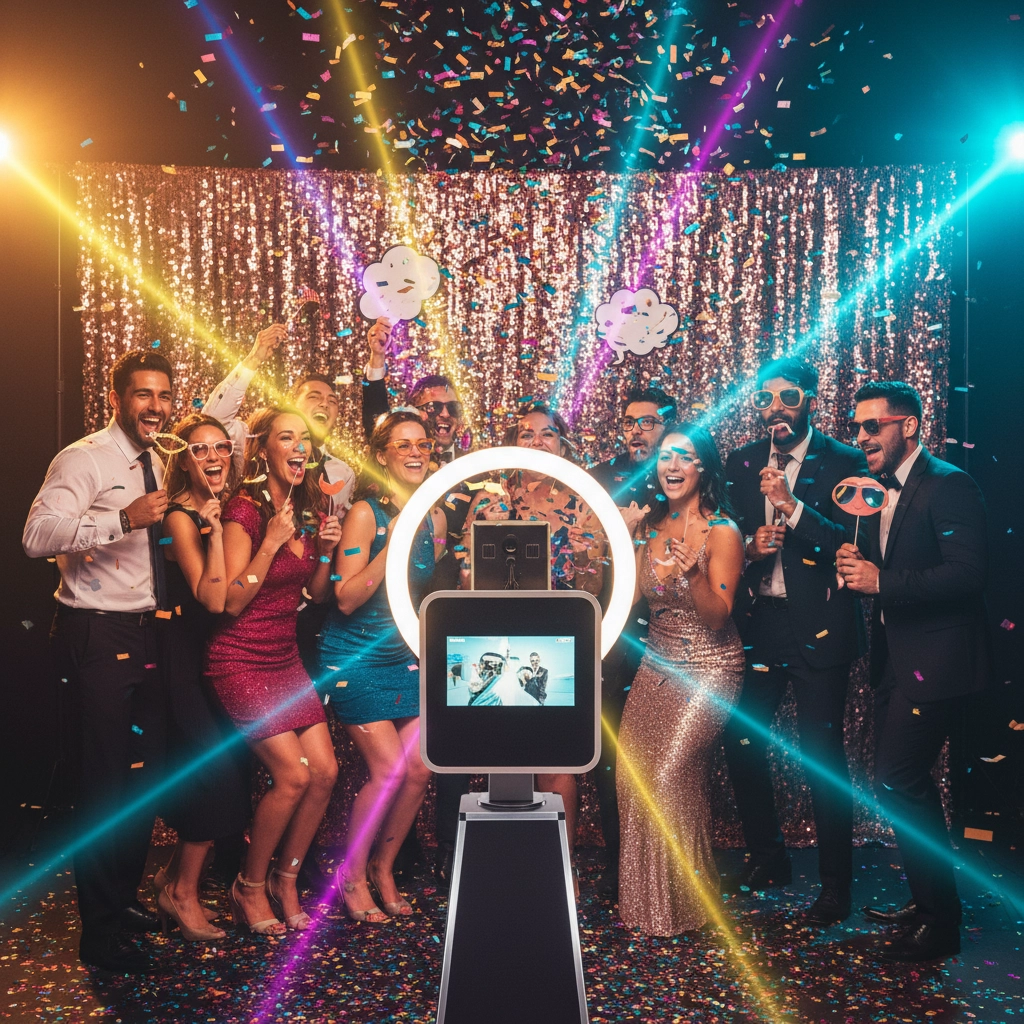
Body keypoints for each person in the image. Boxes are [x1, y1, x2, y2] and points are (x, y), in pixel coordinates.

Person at [23, 350, 174, 973]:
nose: (156, 407)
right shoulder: (84, 458)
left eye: (164, 396)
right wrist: (120, 519)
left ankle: (121, 902)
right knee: (104, 784)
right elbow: (36, 535)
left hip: (147, 632)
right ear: (119, 398)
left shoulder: (158, 456)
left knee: (140, 781)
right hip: (95, 632)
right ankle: (99, 935)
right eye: (144, 395)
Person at [836, 381, 990, 962]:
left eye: (872, 426)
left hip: (939, 665)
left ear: (910, 426)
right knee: (901, 784)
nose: (861, 437)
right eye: (856, 427)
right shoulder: (874, 492)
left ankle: (941, 921)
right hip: (895, 664)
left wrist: (883, 583)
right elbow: (893, 563)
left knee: (898, 781)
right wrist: (857, 566)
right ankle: (926, 901)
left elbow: (968, 575)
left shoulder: (951, 484)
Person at [201, 324, 356, 891]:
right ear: (264, 447)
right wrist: (269, 542)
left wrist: (329, 550)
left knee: (327, 773)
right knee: (292, 776)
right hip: (240, 656)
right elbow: (230, 602)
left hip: (284, 656)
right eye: (287, 438)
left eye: (305, 440)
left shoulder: (308, 507)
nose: (299, 448)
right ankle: (249, 884)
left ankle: (286, 880)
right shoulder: (245, 512)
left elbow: (313, 591)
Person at [721, 357, 869, 926]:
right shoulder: (741, 462)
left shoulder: (847, 461)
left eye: (788, 397)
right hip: (761, 624)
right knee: (741, 741)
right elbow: (729, 535)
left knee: (822, 760)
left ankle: (835, 888)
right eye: (765, 399)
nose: (776, 408)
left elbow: (854, 544)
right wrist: (753, 549)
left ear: (808, 399)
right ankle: (768, 859)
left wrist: (792, 507)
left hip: (822, 629)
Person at [462, 401, 606, 877]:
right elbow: (465, 579)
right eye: (526, 434)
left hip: (557, 640)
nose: (536, 441)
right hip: (496, 639)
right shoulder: (490, 497)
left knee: (556, 755)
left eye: (547, 434)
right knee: (501, 753)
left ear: (563, 443)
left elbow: (593, 587)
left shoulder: (583, 501)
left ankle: (558, 869)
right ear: (512, 444)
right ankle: (505, 864)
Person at [317, 410, 447, 922]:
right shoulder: (367, 514)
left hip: (404, 657)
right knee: (390, 770)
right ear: (381, 455)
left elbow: (421, 596)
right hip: (355, 658)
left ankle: (383, 867)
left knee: (419, 767)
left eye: (422, 444)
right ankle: (349, 876)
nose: (416, 453)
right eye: (403, 445)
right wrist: (391, 548)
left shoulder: (435, 518)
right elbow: (345, 598)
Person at [616, 426, 745, 935]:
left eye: (684, 457)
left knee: (668, 777)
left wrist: (693, 575)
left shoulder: (723, 532)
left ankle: (682, 908)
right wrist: (616, 541)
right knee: (633, 778)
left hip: (710, 668)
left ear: (703, 469)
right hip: (656, 666)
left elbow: (717, 617)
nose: (671, 465)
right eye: (665, 456)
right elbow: (623, 603)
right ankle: (651, 906)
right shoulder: (650, 530)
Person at [362, 318, 471, 887]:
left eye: (450, 409)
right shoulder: (385, 484)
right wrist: (376, 368)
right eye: (431, 409)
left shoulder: (472, 478)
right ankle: (389, 863)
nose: (442, 417)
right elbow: (378, 431)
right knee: (400, 766)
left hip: (440, 633)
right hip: (384, 635)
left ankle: (449, 858)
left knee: (438, 757)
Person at [153, 413, 252, 943]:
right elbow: (212, 596)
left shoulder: (223, 512)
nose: (212, 457)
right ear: (183, 459)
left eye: (219, 448)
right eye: (199, 450)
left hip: (214, 658)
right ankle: (183, 895)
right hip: (179, 660)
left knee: (222, 770)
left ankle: (172, 883)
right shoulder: (179, 517)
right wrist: (214, 534)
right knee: (215, 776)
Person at [589, 386, 678, 894]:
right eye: (629, 421)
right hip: (615, 629)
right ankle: (619, 862)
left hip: (675, 628)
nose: (637, 430)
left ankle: (664, 865)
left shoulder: (682, 472)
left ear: (668, 425)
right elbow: (581, 550)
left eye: (648, 421)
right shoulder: (600, 478)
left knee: (664, 750)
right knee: (611, 749)